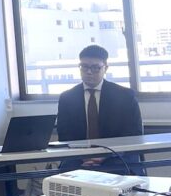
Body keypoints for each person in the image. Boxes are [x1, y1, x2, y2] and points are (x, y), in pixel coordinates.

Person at [56, 44, 143, 173]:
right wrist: (83, 156)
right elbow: (64, 135)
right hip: (78, 158)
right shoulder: (67, 97)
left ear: (105, 68)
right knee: (63, 176)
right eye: (84, 67)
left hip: (116, 156)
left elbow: (134, 133)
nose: (89, 72)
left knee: (121, 172)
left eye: (95, 68)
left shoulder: (124, 96)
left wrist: (105, 155)